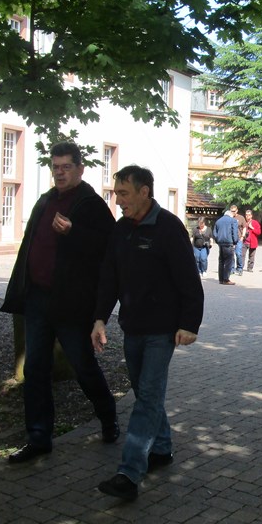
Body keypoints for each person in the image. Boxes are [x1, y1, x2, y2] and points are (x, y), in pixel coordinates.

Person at [0, 141, 118, 463]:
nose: (60, 173)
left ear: (80, 169)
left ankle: (108, 416)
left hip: (71, 303)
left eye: (66, 167)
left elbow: (107, 248)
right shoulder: (45, 201)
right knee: (35, 369)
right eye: (56, 167)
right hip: (38, 299)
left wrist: (74, 231)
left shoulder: (91, 204)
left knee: (83, 366)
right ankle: (38, 437)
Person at [91, 165, 204, 501]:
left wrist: (189, 324)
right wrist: (99, 318)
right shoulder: (121, 229)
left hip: (162, 330)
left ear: (144, 192)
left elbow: (189, 280)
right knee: (144, 393)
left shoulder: (168, 227)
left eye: (124, 193)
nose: (118, 200)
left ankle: (129, 473)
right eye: (116, 193)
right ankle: (162, 448)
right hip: (133, 326)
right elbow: (109, 276)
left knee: (148, 397)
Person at [212, 205, 240, 285]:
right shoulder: (233, 221)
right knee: (228, 261)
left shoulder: (218, 221)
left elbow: (215, 233)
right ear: (230, 215)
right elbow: (234, 232)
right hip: (229, 243)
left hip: (221, 243)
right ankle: (226, 279)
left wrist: (218, 241)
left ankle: (221, 279)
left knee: (221, 261)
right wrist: (235, 242)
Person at [233, 205, 247, 275]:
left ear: (237, 210)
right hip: (231, 239)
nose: (233, 212)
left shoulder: (241, 218)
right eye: (232, 211)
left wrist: (242, 236)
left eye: (234, 211)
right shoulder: (230, 217)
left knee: (238, 254)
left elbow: (244, 227)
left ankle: (240, 268)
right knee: (231, 254)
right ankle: (232, 269)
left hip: (239, 238)